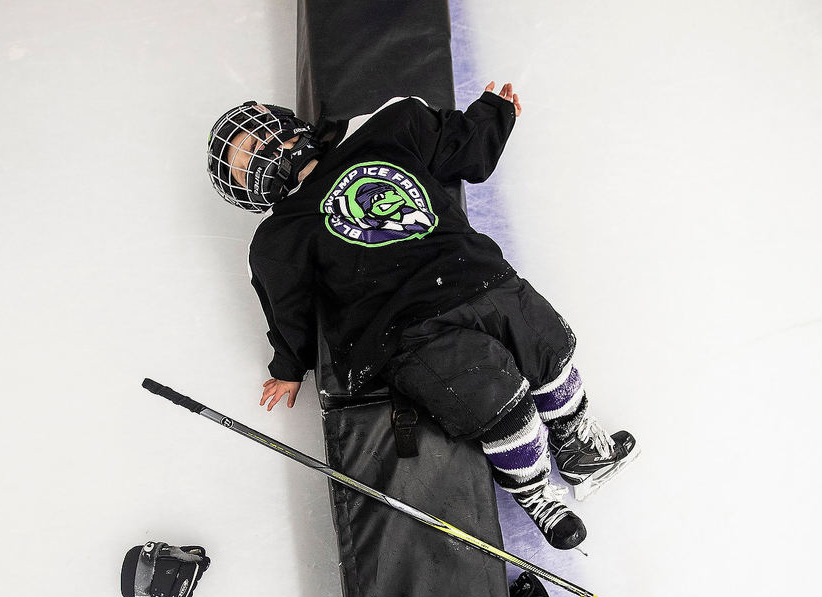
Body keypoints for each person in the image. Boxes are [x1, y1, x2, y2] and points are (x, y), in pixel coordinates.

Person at [206, 83, 639, 550]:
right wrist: (288, 368)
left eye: (250, 142)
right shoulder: (280, 236)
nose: (256, 156)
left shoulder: (385, 132)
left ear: (276, 120)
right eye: (244, 163)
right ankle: (536, 494)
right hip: (406, 332)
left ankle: (579, 448)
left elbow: (463, 149)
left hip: (478, 276)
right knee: (493, 398)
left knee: (547, 348)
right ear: (249, 188)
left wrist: (493, 114)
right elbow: (287, 308)